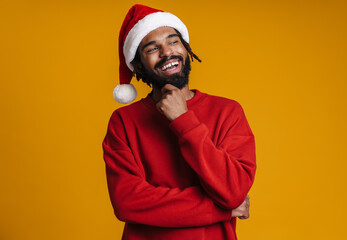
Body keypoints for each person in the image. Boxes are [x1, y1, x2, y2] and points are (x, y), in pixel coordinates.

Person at [103, 4, 256, 240]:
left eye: (173, 42)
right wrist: (219, 209)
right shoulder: (123, 122)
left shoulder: (228, 112)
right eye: (153, 48)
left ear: (186, 50)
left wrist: (183, 120)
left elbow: (233, 191)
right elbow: (128, 203)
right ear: (139, 64)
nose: (167, 52)